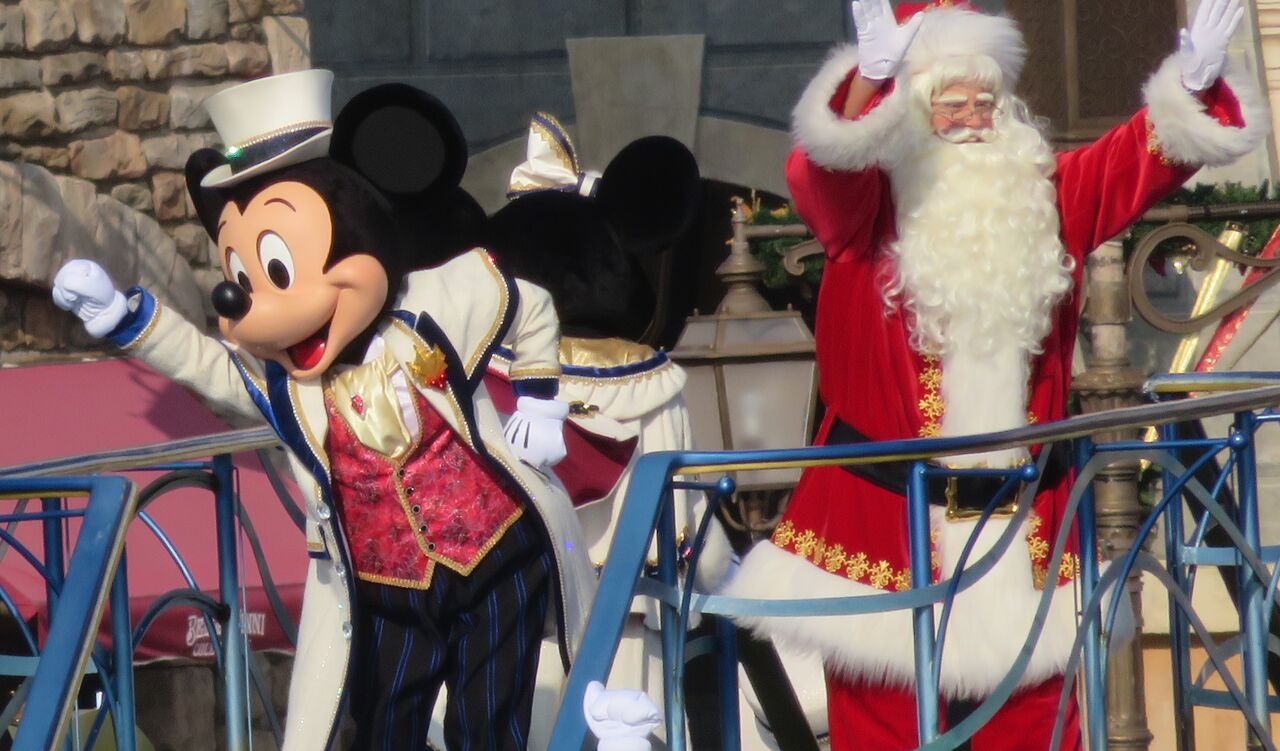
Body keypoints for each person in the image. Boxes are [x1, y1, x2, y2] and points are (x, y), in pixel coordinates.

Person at [720, 1, 1267, 749]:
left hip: (1027, 532)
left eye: (986, 102)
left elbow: (1130, 163)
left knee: (1037, 728)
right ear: (910, 114)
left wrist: (1195, 84)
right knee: (887, 732)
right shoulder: (867, 211)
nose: (974, 121)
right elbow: (823, 171)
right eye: (951, 104)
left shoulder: (1040, 198)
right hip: (887, 532)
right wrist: (867, 83)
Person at [50, 72, 597, 751]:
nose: (248, 304)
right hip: (385, 585)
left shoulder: (434, 302)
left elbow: (528, 302)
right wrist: (127, 318)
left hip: (496, 555)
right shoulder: (289, 387)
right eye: (243, 279)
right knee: (386, 724)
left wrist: (540, 398)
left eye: (277, 270)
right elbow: (209, 368)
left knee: (488, 721)